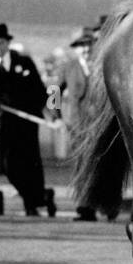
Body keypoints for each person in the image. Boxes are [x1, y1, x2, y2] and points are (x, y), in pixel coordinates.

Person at [0, 23, 52, 217]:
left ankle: (33, 202)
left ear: (7, 43)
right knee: (7, 163)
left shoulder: (24, 62)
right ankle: (34, 196)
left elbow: (40, 90)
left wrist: (51, 113)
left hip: (27, 122)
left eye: (1, 42)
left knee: (30, 162)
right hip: (5, 122)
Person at [58, 27, 96, 221]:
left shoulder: (103, 63)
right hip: (77, 124)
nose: (86, 50)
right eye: (81, 46)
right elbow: (54, 91)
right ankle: (84, 205)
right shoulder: (68, 67)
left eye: (88, 45)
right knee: (82, 165)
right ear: (75, 49)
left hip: (100, 124)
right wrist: (55, 116)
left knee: (100, 163)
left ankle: (103, 203)